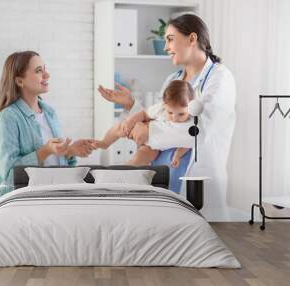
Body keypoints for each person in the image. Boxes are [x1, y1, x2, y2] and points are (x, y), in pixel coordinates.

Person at [98, 14, 237, 219]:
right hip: (165, 179)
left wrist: (149, 131)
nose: (165, 47)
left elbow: (202, 130)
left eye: (170, 39)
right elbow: (161, 117)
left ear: (192, 39)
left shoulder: (219, 79)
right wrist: (131, 105)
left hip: (197, 184)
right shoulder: (173, 79)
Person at [0, 51, 97, 197]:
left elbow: (56, 167)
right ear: (20, 81)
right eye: (39, 71)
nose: (47, 75)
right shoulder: (8, 117)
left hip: (52, 197)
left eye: (45, 69)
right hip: (22, 201)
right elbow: (8, 175)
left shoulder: (49, 113)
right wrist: (45, 151)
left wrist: (69, 152)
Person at [96, 80, 193, 168]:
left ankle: (124, 170)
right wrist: (131, 122)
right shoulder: (161, 109)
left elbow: (185, 143)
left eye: (181, 114)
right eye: (170, 113)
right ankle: (105, 143)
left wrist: (177, 155)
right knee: (120, 128)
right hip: (146, 129)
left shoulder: (191, 126)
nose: (175, 117)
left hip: (154, 149)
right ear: (164, 104)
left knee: (138, 160)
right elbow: (144, 114)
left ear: (191, 108)